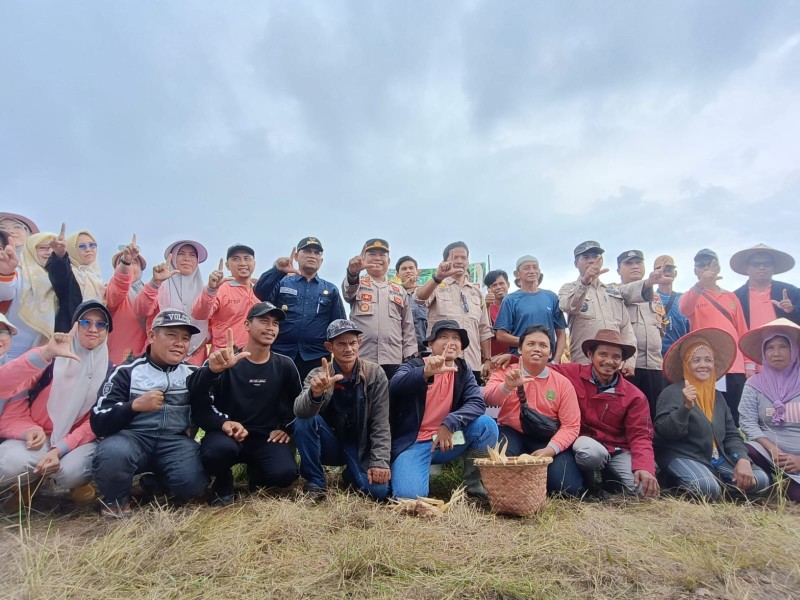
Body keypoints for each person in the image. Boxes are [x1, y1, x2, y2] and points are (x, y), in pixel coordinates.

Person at [90, 309, 208, 517]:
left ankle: (156, 483)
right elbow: (98, 421)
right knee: (113, 452)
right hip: (131, 439)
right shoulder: (126, 371)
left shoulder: (193, 374)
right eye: (171, 335)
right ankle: (116, 499)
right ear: (152, 336)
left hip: (174, 442)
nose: (179, 343)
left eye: (185, 338)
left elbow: (209, 408)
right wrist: (133, 406)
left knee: (193, 487)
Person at [0, 301, 113, 511]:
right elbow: (4, 386)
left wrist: (60, 448)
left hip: (75, 442)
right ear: (74, 326)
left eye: (101, 324)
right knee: (7, 464)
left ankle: (77, 484)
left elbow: (95, 423)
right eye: (86, 322)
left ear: (107, 331)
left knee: (71, 472)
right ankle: (27, 484)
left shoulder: (110, 371)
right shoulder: (51, 358)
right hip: (39, 437)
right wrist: (28, 430)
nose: (93, 329)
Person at [190, 302, 301, 505]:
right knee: (215, 452)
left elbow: (297, 404)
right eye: (264, 321)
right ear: (247, 325)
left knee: (284, 474)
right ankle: (223, 480)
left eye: (275, 323)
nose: (270, 328)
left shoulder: (285, 365)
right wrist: (212, 372)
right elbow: (197, 397)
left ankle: (257, 473)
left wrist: (286, 428)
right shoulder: (225, 360)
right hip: (226, 434)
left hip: (266, 437)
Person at [654, 328, 770, 500]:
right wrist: (685, 408)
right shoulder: (672, 392)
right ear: (686, 363)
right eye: (696, 360)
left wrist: (743, 459)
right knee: (707, 488)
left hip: (717, 457)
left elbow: (731, 434)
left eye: (708, 360)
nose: (703, 365)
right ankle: (681, 483)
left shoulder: (717, 397)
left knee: (760, 480)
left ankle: (719, 483)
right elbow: (663, 434)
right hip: (683, 455)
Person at [389, 320, 498, 500]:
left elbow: (477, 403)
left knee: (486, 425)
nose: (450, 342)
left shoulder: (463, 370)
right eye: (443, 337)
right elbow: (395, 386)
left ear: (461, 346)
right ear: (431, 343)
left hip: (448, 440)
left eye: (456, 338)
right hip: (415, 443)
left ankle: (473, 484)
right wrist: (425, 372)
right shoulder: (414, 365)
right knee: (408, 496)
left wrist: (450, 422)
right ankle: (417, 468)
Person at [552, 329, 659, 498]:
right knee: (590, 452)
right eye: (603, 354)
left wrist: (644, 467)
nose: (609, 361)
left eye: (616, 357)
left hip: (616, 449)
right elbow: (540, 368)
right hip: (583, 446)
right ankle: (590, 483)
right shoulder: (571, 373)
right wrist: (512, 360)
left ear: (622, 360)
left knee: (642, 492)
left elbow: (641, 435)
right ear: (590, 354)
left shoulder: (634, 395)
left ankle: (611, 480)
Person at [293, 319, 391, 501]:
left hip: (359, 445)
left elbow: (381, 421)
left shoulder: (375, 374)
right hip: (329, 443)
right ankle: (316, 481)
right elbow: (299, 410)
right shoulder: (318, 375)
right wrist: (315, 394)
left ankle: (351, 475)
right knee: (305, 419)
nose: (348, 349)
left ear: (359, 343)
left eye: (352, 342)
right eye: (341, 344)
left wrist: (379, 461)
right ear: (329, 346)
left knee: (379, 492)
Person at [484, 325, 584, 496]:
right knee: (501, 471)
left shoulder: (562, 383)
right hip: (511, 432)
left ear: (551, 353)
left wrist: (550, 450)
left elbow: (571, 426)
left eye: (543, 345)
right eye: (530, 344)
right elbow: (488, 398)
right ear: (520, 349)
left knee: (567, 489)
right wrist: (507, 387)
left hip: (547, 438)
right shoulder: (506, 372)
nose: (537, 349)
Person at [254, 237, 346, 380]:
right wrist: (277, 271)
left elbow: (338, 324)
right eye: (307, 251)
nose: (312, 255)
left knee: (313, 398)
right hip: (281, 353)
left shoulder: (330, 289)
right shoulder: (282, 283)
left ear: (321, 261)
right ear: (296, 256)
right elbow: (260, 292)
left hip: (316, 356)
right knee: (279, 399)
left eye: (317, 253)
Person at [678, 249, 752, 425]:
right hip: (708, 365)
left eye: (710, 264)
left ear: (718, 268)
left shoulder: (731, 296)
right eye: (701, 265)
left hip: (735, 365)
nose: (705, 268)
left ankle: (734, 449)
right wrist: (701, 285)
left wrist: (749, 364)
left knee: (735, 413)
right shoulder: (691, 295)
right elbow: (684, 309)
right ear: (695, 271)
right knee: (710, 412)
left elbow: (742, 330)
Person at [739, 318, 800, 502]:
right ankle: (773, 479)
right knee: (747, 449)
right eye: (770, 347)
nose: (776, 353)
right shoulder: (753, 384)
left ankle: (784, 481)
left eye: (783, 346)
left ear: (794, 350)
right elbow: (747, 422)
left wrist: (798, 460)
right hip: (767, 454)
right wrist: (773, 450)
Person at [414, 242, 493, 382]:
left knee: (469, 402)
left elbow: (484, 329)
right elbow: (419, 298)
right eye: (455, 257)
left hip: (471, 363)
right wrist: (438, 278)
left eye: (463, 258)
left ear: (468, 261)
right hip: (441, 362)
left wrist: (487, 359)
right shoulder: (437, 285)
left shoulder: (476, 293)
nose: (459, 261)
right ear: (445, 261)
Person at [558, 241, 638, 373]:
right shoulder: (568, 288)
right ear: (576, 264)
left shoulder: (613, 291)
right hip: (583, 363)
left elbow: (626, 329)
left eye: (595, 257)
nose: (591, 261)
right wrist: (585, 282)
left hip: (613, 365)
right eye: (586, 257)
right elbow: (569, 307)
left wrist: (629, 361)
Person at [342, 239, 416, 380]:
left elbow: (408, 326)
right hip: (363, 357)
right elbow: (347, 293)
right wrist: (352, 273)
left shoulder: (399, 290)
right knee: (363, 400)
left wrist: (410, 356)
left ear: (389, 260)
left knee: (392, 400)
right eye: (372, 254)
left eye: (382, 255)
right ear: (363, 258)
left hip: (393, 359)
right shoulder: (356, 283)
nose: (377, 258)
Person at [616, 249, 675, 416]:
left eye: (638, 262)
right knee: (630, 415)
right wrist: (649, 282)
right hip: (628, 366)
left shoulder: (656, 297)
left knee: (655, 414)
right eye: (628, 263)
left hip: (654, 366)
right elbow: (627, 292)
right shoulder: (614, 291)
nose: (634, 266)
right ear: (619, 270)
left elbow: (661, 328)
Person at [134, 240, 210, 366]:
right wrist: (155, 283)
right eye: (181, 253)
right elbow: (141, 310)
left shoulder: (206, 290)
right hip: (158, 357)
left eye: (192, 255)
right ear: (173, 257)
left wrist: (203, 339)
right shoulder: (160, 284)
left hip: (195, 359)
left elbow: (212, 323)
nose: (187, 258)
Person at [494, 256, 567, 362]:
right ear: (517, 274)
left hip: (548, 362)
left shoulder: (551, 297)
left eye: (535, 267)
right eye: (527, 268)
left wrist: (556, 360)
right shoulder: (510, 300)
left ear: (539, 271)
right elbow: (501, 336)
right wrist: (529, 343)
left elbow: (561, 333)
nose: (532, 271)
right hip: (519, 362)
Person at [0, 231, 57, 359]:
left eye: (53, 248)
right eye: (43, 248)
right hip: (7, 351)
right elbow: (4, 293)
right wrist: (5, 273)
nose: (49, 252)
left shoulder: (61, 280)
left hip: (41, 353)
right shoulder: (16, 272)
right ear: (31, 249)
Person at [192, 244, 258, 353]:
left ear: (254, 263)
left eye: (247, 258)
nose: (242, 263)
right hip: (224, 358)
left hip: (253, 357)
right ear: (227, 265)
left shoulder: (259, 291)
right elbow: (199, 314)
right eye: (236, 259)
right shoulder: (220, 289)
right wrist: (211, 289)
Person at [731, 244, 800, 328]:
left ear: (773, 268)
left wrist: (792, 310)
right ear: (746, 268)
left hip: (785, 340)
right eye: (756, 264)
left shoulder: (792, 291)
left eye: (767, 264)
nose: (762, 267)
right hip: (747, 340)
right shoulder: (735, 297)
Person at [106, 235, 148, 364]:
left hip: (148, 359)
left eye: (134, 262)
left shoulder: (151, 291)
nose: (130, 266)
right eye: (123, 262)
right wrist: (126, 262)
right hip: (119, 359)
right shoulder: (110, 290)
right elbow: (119, 286)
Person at [652, 255, 690, 358]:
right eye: (661, 269)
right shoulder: (649, 299)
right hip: (657, 359)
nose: (666, 272)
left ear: (675, 273)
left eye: (669, 269)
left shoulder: (684, 299)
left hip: (681, 358)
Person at [395, 255, 428, 355]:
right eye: (404, 269)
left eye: (411, 268)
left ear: (417, 271)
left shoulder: (428, 293)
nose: (408, 271)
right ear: (397, 274)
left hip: (425, 351)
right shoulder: (391, 294)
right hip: (399, 351)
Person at [483, 269, 511, 356]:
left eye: (501, 283)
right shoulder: (484, 308)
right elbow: (486, 331)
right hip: (493, 360)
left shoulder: (517, 306)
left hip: (515, 357)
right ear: (489, 289)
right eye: (494, 285)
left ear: (508, 284)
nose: (499, 287)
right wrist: (486, 306)